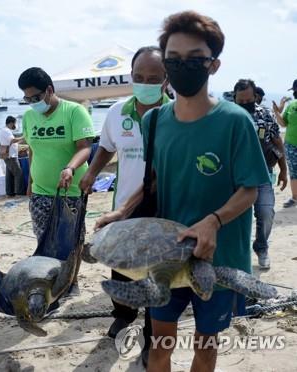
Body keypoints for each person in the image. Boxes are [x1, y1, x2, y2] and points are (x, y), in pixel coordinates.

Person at [95, 11, 269, 372]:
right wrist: (121, 212)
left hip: (218, 257)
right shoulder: (153, 121)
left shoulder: (236, 121)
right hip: (165, 255)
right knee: (160, 346)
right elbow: (154, 180)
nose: (182, 66)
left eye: (195, 59)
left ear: (214, 65)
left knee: (206, 348)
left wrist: (213, 221)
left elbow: (250, 190)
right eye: (173, 59)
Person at [79, 45, 169, 364]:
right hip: (122, 210)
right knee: (121, 269)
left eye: (153, 78)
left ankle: (152, 333)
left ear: (166, 79)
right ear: (131, 76)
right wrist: (91, 171)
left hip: (162, 211)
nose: (145, 82)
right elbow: (105, 147)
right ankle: (124, 313)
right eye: (139, 76)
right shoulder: (117, 112)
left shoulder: (177, 115)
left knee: (156, 276)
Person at [18, 67, 95, 294]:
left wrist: (70, 168)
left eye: (36, 97)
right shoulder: (29, 116)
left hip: (70, 189)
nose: (32, 102)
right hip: (41, 190)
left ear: (49, 90)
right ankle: (52, 280)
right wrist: (30, 182)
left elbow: (85, 147)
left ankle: (72, 282)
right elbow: (32, 150)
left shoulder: (74, 112)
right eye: (27, 98)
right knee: (44, 238)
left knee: (71, 239)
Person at [233, 78, 287, 269]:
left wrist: (284, 170)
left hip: (262, 174)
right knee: (234, 218)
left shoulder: (265, 114)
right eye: (241, 101)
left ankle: (261, 247)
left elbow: (277, 142)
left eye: (249, 100)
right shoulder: (227, 116)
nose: (246, 104)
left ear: (255, 96)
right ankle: (237, 254)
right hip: (235, 179)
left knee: (266, 212)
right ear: (234, 98)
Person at [273, 78, 297, 208]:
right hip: (291, 144)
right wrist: (277, 112)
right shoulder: (292, 105)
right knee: (294, 172)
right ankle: (295, 198)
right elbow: (283, 123)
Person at [0, 115, 24, 197]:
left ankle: (10, 192)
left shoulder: (5, 130)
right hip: (11, 156)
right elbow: (12, 140)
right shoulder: (6, 130)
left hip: (9, 155)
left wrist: (19, 142)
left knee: (9, 174)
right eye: (14, 123)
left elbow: (11, 142)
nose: (15, 125)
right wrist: (23, 137)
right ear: (11, 123)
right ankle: (19, 192)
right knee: (18, 173)